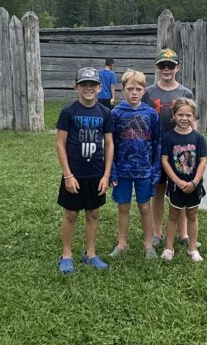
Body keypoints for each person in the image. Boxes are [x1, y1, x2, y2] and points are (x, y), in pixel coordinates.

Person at [55, 66, 115, 274]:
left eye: (92, 85)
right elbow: (60, 144)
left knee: (93, 213)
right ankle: (66, 255)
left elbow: (109, 145)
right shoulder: (68, 112)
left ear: (99, 88)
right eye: (83, 85)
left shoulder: (105, 113)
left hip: (96, 173)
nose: (88, 88)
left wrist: (106, 175)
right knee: (71, 214)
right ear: (76, 87)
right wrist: (67, 175)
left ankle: (90, 254)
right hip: (74, 173)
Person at [143, 48, 194, 250]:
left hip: (180, 151)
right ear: (156, 68)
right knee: (158, 191)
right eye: (162, 65)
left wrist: (194, 148)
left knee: (179, 190)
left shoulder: (185, 93)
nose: (166, 69)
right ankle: (157, 232)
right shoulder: (148, 93)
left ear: (177, 68)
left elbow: (191, 121)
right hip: (155, 149)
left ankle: (183, 233)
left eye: (170, 66)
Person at [109, 70, 161, 261]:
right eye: (130, 88)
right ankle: (122, 243)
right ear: (122, 90)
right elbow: (110, 144)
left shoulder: (150, 114)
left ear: (144, 90)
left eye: (138, 89)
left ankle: (148, 245)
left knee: (145, 207)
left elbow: (157, 143)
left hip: (144, 170)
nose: (134, 92)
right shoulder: (115, 114)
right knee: (123, 206)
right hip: (122, 170)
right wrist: (112, 171)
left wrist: (156, 169)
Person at [160, 98, 207, 263]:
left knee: (192, 215)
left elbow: (202, 160)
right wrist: (177, 181)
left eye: (188, 115)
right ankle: (168, 248)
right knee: (173, 215)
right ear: (174, 115)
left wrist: (194, 181)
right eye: (180, 114)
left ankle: (192, 248)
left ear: (193, 116)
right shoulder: (168, 137)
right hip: (175, 185)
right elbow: (165, 160)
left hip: (194, 185)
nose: (184, 118)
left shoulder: (198, 138)